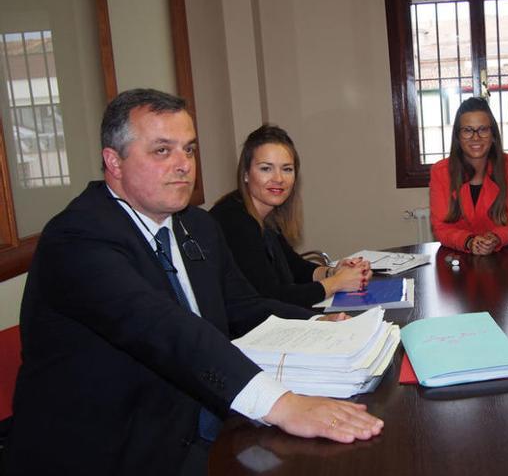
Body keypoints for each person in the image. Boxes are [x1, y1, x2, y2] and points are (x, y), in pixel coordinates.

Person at [5, 89, 383, 476]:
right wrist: (284, 406)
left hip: (205, 423)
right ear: (113, 162)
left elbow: (241, 305)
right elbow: (164, 328)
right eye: (162, 151)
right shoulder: (77, 237)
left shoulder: (197, 225)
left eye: (189, 149)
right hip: (110, 449)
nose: (184, 164)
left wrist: (313, 323)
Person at [210, 124, 371, 307]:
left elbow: (295, 268)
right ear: (246, 174)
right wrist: (336, 283)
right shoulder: (234, 221)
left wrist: (333, 272)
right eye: (266, 168)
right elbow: (271, 297)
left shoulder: (266, 215)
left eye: (287, 169)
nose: (278, 178)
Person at [429, 97, 508, 255]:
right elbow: (441, 228)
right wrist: (469, 242)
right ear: (458, 137)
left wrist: (495, 238)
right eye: (467, 130)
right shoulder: (440, 172)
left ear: (493, 134)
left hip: (502, 258)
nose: (476, 137)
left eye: (483, 129)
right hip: (458, 260)